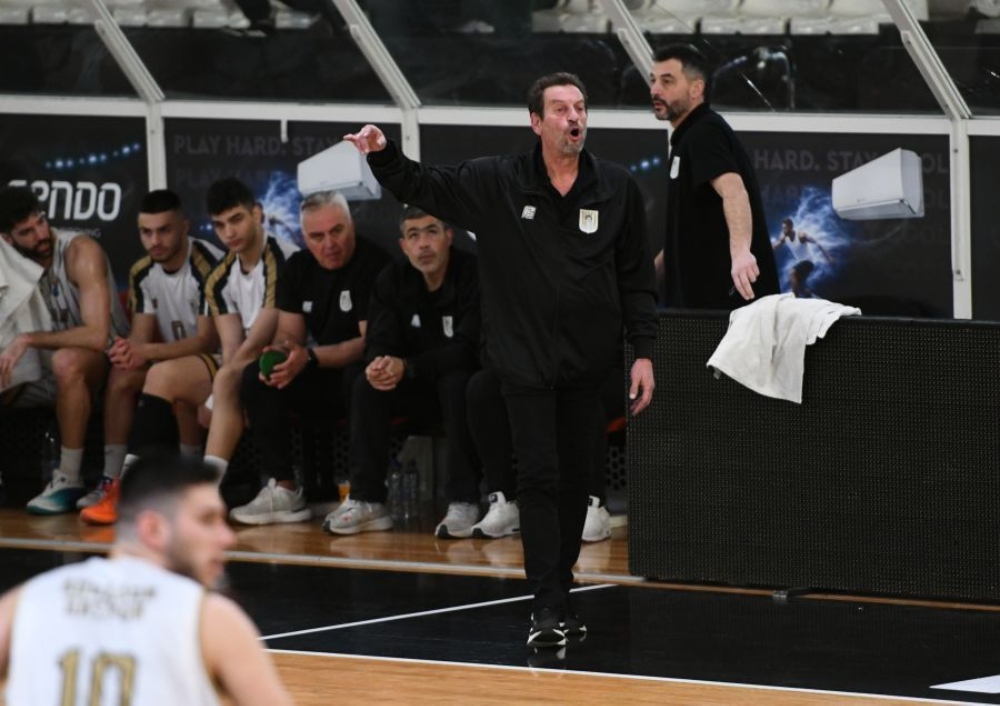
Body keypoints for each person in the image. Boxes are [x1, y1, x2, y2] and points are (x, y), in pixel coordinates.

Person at [345, 71, 657, 649]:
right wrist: (383, 154)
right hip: (522, 361)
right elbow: (425, 184)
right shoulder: (498, 181)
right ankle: (547, 603)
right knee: (537, 478)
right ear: (536, 122)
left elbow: (636, 279)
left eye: (580, 107)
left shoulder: (615, 187)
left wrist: (644, 353)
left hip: (588, 365)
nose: (574, 117)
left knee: (576, 483)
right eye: (560, 108)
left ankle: (560, 588)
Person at [0, 456, 294, 706]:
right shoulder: (209, 618)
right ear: (153, 529)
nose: (227, 537)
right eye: (207, 520)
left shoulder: (26, 602)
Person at [91, 177, 298, 525]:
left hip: (289, 357)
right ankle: (125, 487)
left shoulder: (279, 257)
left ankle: (199, 495)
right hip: (242, 363)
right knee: (159, 375)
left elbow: (258, 338)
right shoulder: (221, 275)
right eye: (219, 225)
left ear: (257, 214)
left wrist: (218, 394)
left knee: (225, 378)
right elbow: (231, 344)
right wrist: (222, 385)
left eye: (236, 220)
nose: (228, 232)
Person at [232, 189, 390, 525]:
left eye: (337, 231)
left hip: (367, 376)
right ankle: (284, 488)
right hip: (319, 371)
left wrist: (308, 358)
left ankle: (365, 495)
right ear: (304, 237)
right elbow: (290, 335)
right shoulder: (298, 267)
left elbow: (368, 343)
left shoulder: (374, 264)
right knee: (256, 377)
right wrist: (282, 354)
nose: (329, 244)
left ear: (351, 226)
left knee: (358, 377)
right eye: (317, 236)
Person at [323, 206, 481, 537]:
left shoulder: (472, 274)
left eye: (431, 232)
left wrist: (408, 366)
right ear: (403, 245)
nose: (423, 244)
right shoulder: (392, 279)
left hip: (458, 385)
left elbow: (468, 349)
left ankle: (464, 501)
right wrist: (380, 364)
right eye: (414, 235)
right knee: (365, 381)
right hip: (412, 386)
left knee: (458, 383)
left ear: (448, 237)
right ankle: (367, 499)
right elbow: (378, 339)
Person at [79, 189, 223, 523]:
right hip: (179, 364)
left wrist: (146, 351)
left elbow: (207, 340)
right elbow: (140, 339)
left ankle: (133, 490)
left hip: (221, 360)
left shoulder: (207, 263)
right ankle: (111, 479)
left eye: (164, 230)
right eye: (146, 232)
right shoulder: (142, 270)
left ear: (184, 227)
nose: (155, 241)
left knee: (165, 375)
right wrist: (128, 351)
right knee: (123, 375)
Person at [0, 185, 130, 514]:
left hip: (107, 362)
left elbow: (98, 336)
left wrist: (27, 339)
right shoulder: (8, 265)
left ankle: (68, 477)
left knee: (66, 361)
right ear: (7, 239)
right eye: (27, 232)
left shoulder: (79, 251)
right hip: (46, 371)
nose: (41, 234)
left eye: (41, 222)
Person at [649, 43, 780, 310]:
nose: (655, 90)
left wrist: (741, 253)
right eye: (653, 81)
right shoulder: (687, 138)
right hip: (696, 307)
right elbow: (681, 235)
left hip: (726, 309)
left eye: (667, 81)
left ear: (696, 88)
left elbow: (734, 190)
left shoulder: (704, 132)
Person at [466, 366, 624, 543]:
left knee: (580, 387)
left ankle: (593, 504)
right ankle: (504, 501)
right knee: (484, 385)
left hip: (599, 368)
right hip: (534, 369)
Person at [772, 217, 835, 298]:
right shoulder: (784, 237)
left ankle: (795, 300)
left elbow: (817, 242)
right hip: (801, 263)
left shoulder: (801, 236)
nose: (783, 230)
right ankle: (810, 295)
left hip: (809, 262)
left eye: (785, 228)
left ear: (791, 227)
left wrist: (828, 257)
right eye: (782, 228)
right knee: (797, 285)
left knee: (792, 273)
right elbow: (776, 246)